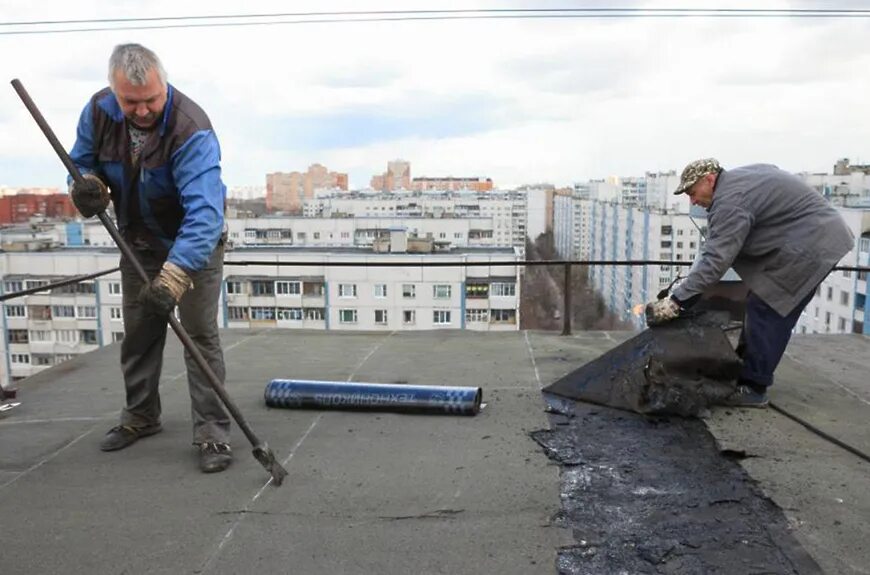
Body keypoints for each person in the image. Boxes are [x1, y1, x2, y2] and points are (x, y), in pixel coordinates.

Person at [68, 43, 232, 472]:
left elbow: (205, 213)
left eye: (151, 100)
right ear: (114, 93)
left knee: (198, 335)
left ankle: (213, 433)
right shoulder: (99, 112)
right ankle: (140, 417)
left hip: (194, 246)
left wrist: (175, 277)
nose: (141, 111)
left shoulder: (191, 128)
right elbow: (82, 164)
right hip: (138, 242)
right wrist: (88, 188)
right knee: (140, 332)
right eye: (131, 102)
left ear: (164, 85)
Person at [645, 158, 853, 407]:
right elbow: (772, 169)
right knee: (760, 302)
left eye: (692, 192)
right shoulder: (738, 181)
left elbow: (716, 260)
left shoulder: (730, 202)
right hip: (813, 237)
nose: (692, 201)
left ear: (709, 180)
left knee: (768, 308)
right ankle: (742, 372)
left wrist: (677, 302)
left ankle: (754, 388)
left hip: (813, 245)